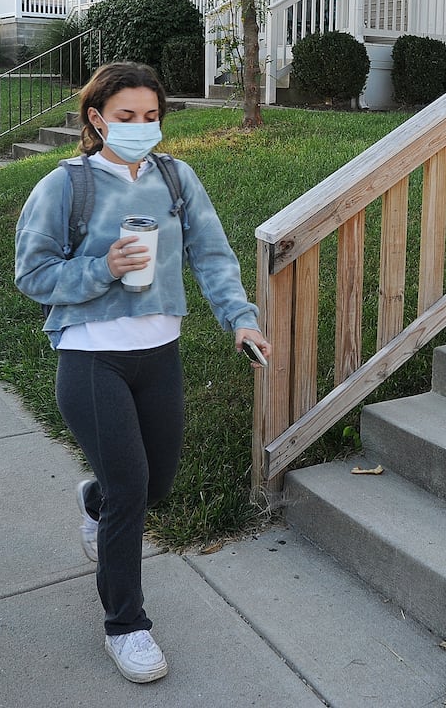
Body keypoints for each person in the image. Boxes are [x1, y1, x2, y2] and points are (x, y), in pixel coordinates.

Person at [14, 61, 271, 684]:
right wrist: (101, 267)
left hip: (160, 355)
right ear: (97, 119)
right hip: (91, 355)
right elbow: (33, 274)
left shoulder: (176, 179)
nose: (140, 127)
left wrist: (240, 317)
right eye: (125, 117)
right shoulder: (64, 186)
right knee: (133, 494)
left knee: (151, 486)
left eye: (151, 116)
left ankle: (93, 498)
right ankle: (126, 626)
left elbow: (212, 254)